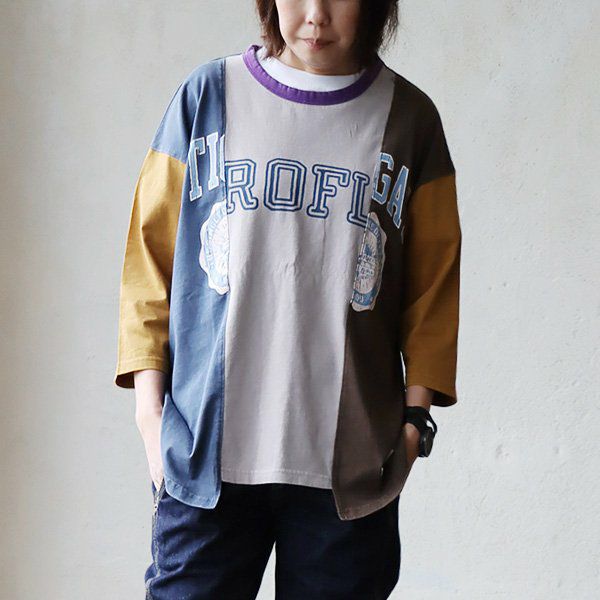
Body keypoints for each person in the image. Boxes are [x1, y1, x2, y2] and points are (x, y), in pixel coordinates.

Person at [114, 0, 462, 598]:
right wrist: (150, 416)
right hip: (205, 460)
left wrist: (412, 425)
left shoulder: (409, 119)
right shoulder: (208, 97)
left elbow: (433, 286)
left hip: (348, 474)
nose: (316, 15)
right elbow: (151, 261)